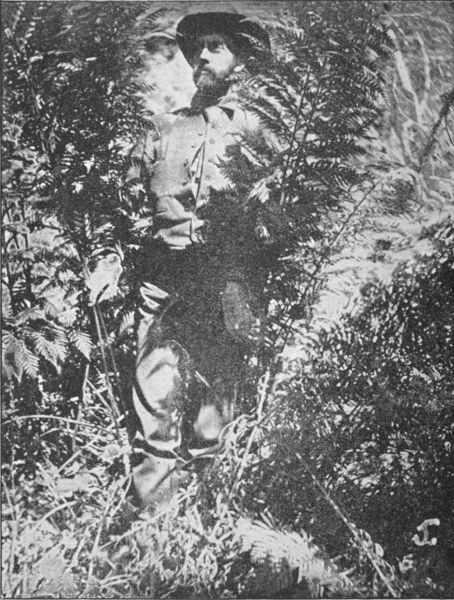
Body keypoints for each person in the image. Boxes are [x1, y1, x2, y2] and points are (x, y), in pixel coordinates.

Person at [92, 11, 274, 508]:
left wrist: (241, 283)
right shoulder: (163, 128)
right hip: (162, 286)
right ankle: (155, 531)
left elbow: (273, 221)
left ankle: (208, 532)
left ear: (243, 59)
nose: (202, 57)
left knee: (213, 423)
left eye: (215, 46)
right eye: (197, 49)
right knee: (154, 414)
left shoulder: (261, 132)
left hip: (223, 289)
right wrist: (109, 261)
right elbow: (122, 206)